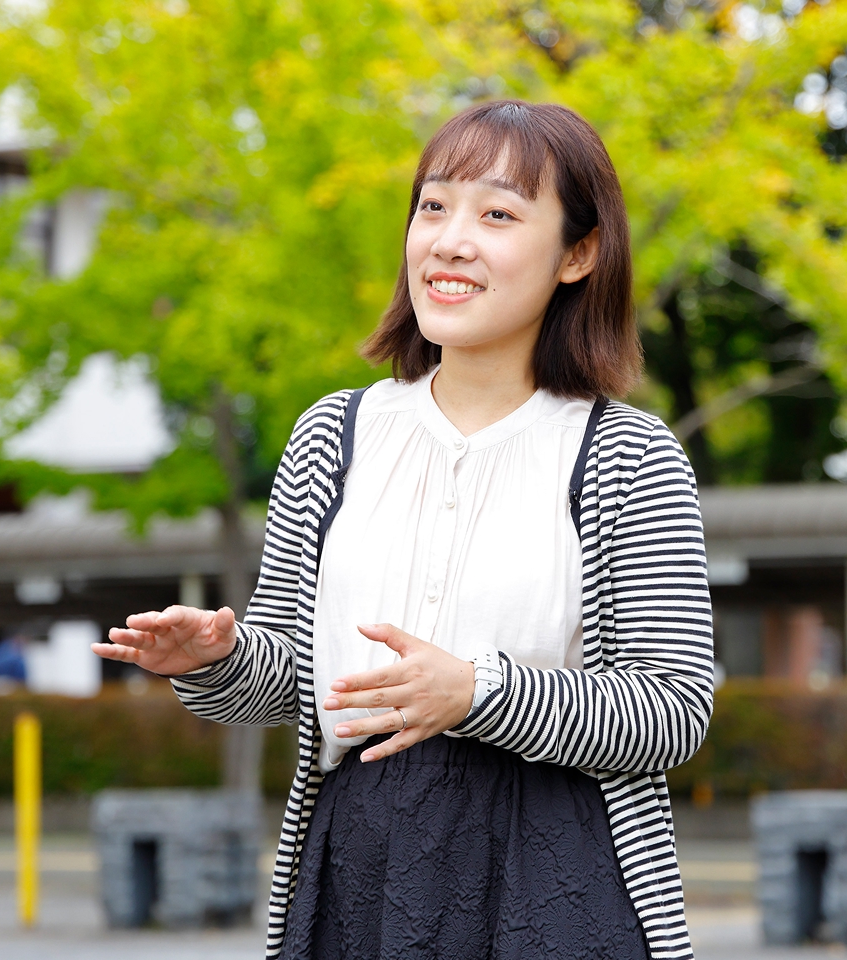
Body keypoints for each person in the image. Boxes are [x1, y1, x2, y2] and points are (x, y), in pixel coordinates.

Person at [96, 99, 714, 960]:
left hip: (556, 872)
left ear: (579, 254)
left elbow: (672, 709)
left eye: (498, 215)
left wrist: (479, 694)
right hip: (360, 865)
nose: (450, 241)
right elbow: (297, 687)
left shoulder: (627, 453)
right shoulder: (335, 434)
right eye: (434, 207)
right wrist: (217, 659)